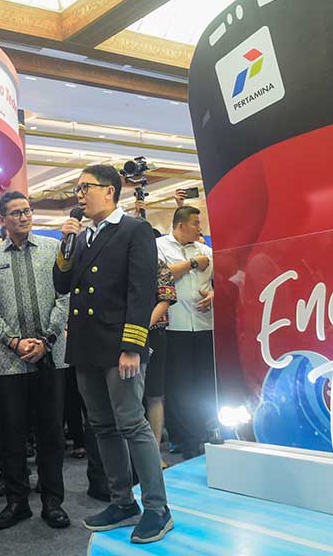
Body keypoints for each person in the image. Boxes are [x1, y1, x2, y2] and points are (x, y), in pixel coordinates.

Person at [53, 165, 172, 544]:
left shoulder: (134, 230)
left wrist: (133, 347)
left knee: (132, 424)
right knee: (102, 427)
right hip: (87, 346)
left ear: (109, 191)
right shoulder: (83, 236)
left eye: (84, 187)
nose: (79, 195)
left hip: (120, 347)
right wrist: (65, 246)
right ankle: (123, 502)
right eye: (77, 188)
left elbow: (142, 291)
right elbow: (61, 284)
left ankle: (157, 508)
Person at [0, 191, 71, 531]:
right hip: (9, 361)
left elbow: (65, 297)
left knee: (51, 434)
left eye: (27, 211)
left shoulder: (53, 250)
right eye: (15, 213)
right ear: (1, 219)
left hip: (50, 356)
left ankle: (52, 501)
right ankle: (17, 502)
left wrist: (46, 340)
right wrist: (15, 342)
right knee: (11, 435)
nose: (23, 217)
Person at [157, 205, 215, 459]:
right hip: (174, 326)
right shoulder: (159, 247)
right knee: (178, 385)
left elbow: (224, 280)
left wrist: (215, 294)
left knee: (203, 382)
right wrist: (192, 264)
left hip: (204, 325)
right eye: (195, 223)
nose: (200, 228)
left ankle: (203, 433)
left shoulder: (207, 251)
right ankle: (183, 438)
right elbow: (161, 275)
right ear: (181, 225)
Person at [146, 261, 177, 468]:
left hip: (153, 333)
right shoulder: (116, 256)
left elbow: (165, 299)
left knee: (154, 395)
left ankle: (154, 453)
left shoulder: (157, 263)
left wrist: (140, 327)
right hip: (116, 335)